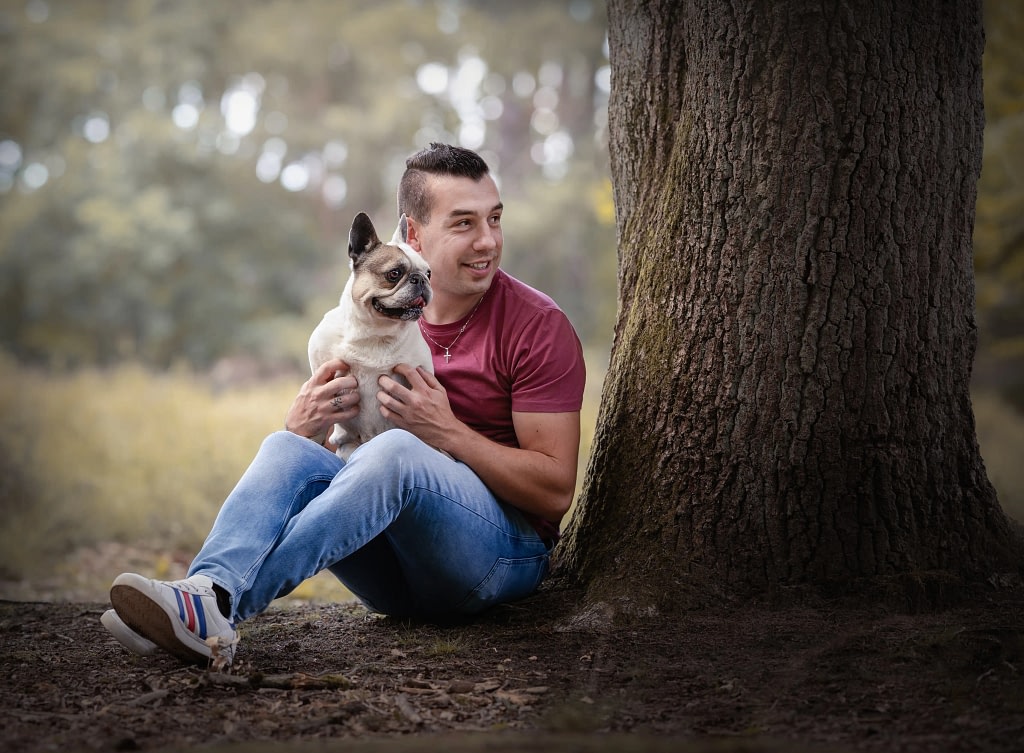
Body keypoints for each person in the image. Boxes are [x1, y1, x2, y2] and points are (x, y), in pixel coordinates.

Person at [101, 143, 587, 665]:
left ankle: (214, 606)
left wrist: (449, 433)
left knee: (395, 451)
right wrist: (302, 429)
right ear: (413, 235)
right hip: (394, 584)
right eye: (464, 223)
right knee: (286, 447)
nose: (487, 241)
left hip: (498, 561)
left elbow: (556, 490)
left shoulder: (537, 325)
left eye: (494, 219)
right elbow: (337, 455)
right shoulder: (362, 327)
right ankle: (205, 593)